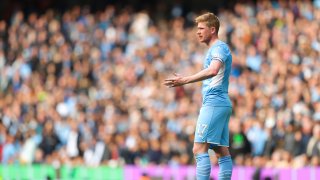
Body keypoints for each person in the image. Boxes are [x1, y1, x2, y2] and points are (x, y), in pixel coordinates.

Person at [164, 12, 233, 180]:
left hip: (215, 102)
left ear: (212, 29)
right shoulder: (214, 49)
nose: (198, 32)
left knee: (199, 149)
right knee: (221, 150)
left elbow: (213, 70)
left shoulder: (219, 47)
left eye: (201, 28)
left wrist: (185, 80)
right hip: (220, 102)